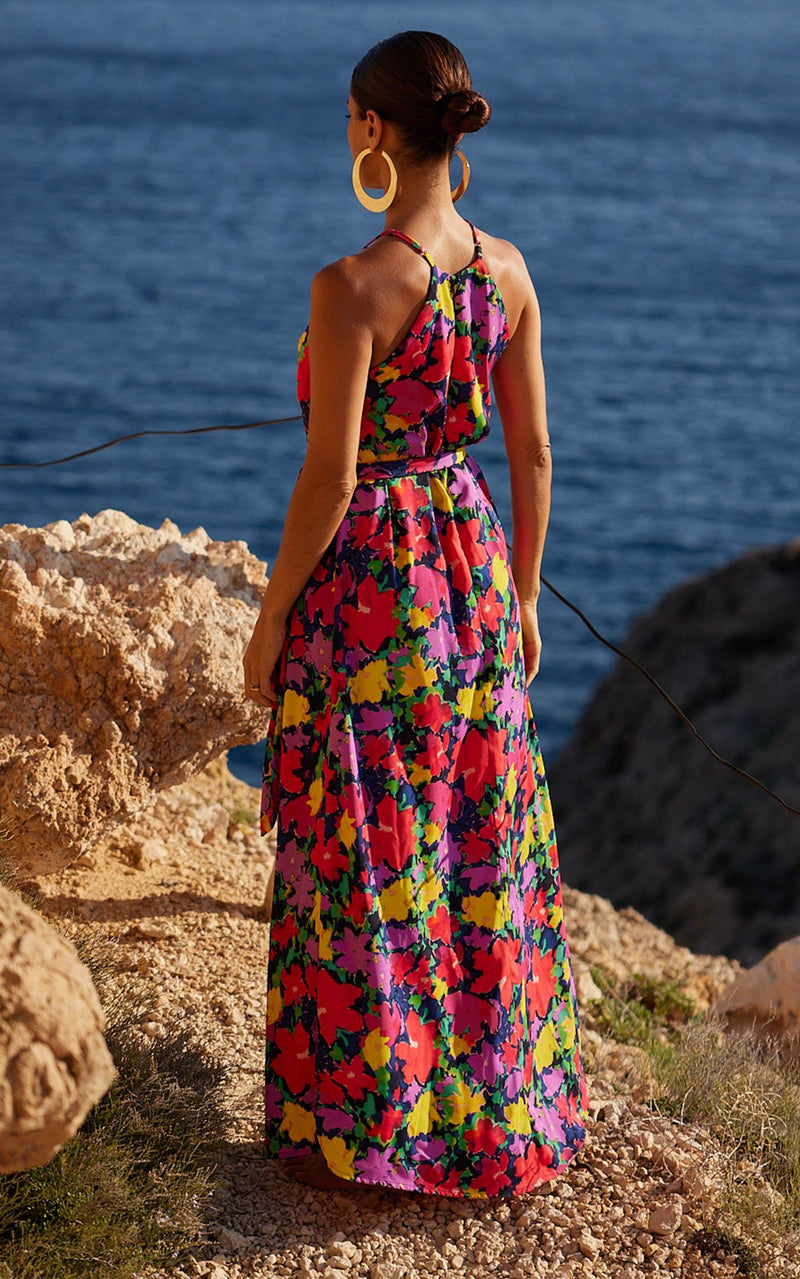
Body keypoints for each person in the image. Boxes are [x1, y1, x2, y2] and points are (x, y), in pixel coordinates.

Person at [243, 29, 589, 1198]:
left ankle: (365, 1122)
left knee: (366, 831)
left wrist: (268, 617)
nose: (347, 129)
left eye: (351, 113)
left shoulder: (349, 289)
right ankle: (489, 1106)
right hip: (470, 563)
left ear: (378, 133)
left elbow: (328, 480)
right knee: (468, 826)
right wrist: (526, 593)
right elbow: (533, 450)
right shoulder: (508, 272)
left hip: (373, 589)